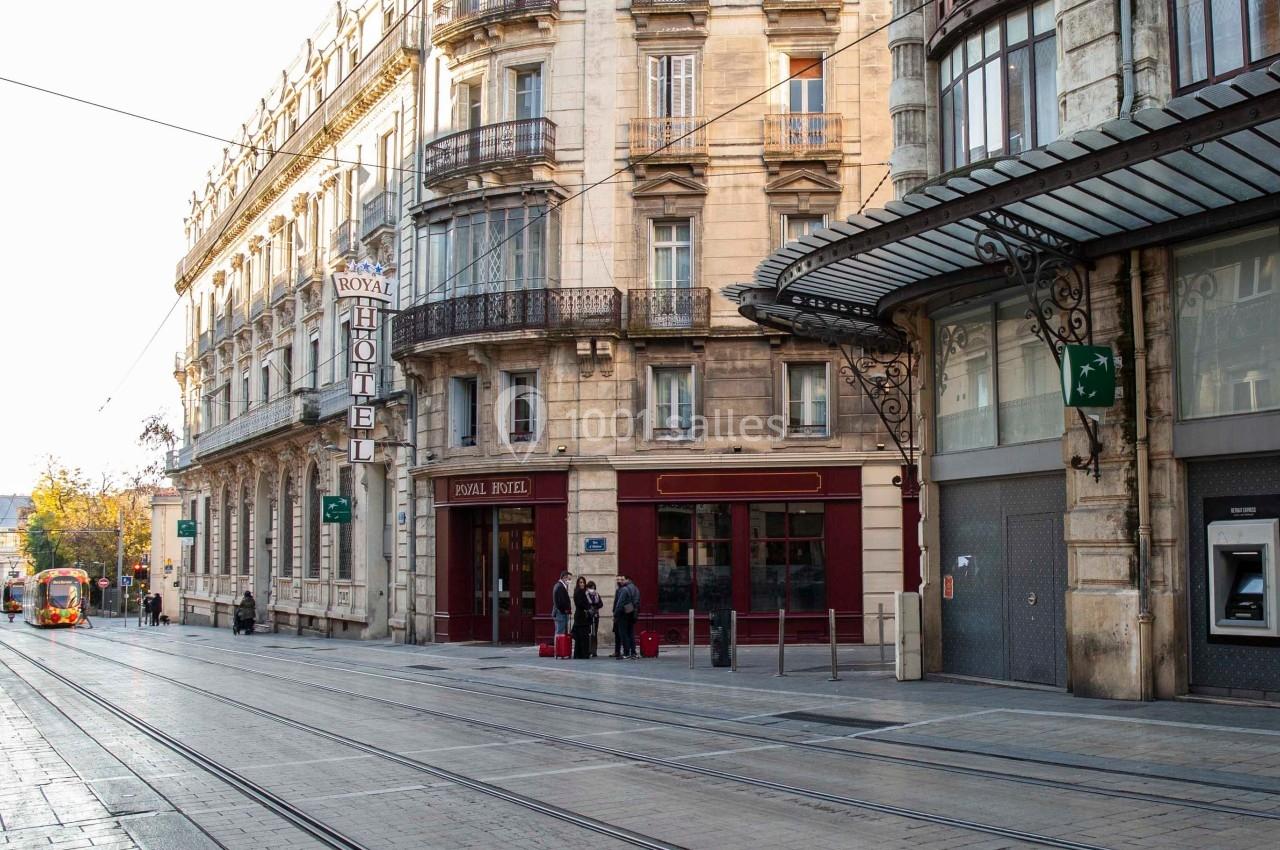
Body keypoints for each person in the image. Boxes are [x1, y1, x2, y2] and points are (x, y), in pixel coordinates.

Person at [613, 574, 639, 659]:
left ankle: (626, 652)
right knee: (631, 633)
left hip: (623, 614)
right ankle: (633, 652)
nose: (621, 581)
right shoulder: (636, 588)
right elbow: (638, 602)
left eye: (623, 579)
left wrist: (615, 614)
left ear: (627, 580)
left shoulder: (624, 589)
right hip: (631, 613)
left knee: (623, 634)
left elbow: (619, 604)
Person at [572, 576, 592, 659]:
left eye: (583, 582)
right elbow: (580, 604)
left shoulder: (583, 592)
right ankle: (582, 654)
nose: (582, 584)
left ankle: (581, 654)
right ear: (578, 583)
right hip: (581, 617)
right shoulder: (579, 592)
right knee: (582, 637)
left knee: (583, 637)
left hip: (582, 617)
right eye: (580, 582)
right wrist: (588, 607)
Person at [585, 581, 604, 658]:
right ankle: (588, 650)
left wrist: (595, 607)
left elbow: (601, 604)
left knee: (594, 633)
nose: (592, 589)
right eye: (590, 587)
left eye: (593, 587)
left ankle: (594, 650)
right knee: (588, 632)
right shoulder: (585, 595)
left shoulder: (597, 594)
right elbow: (585, 604)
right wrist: (590, 608)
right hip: (588, 616)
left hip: (595, 615)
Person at [552, 570, 572, 637]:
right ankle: (559, 647)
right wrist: (565, 610)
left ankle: (559, 647)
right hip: (560, 614)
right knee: (560, 633)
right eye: (569, 579)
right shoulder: (560, 587)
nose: (569, 581)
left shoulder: (559, 586)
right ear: (564, 577)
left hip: (560, 613)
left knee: (559, 632)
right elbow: (560, 602)